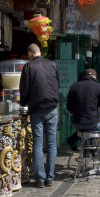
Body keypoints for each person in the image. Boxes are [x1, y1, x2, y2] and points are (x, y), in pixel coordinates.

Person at [19, 43, 60, 188]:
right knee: (51, 143)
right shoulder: (52, 64)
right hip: (52, 108)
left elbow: (24, 88)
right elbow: (57, 84)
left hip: (36, 109)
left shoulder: (29, 67)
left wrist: (22, 103)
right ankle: (49, 178)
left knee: (37, 143)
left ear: (30, 53)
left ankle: (39, 179)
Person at [66, 69, 100, 158]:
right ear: (95, 77)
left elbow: (69, 107)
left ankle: (84, 147)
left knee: (83, 128)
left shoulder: (74, 86)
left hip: (77, 123)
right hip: (93, 123)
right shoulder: (98, 86)